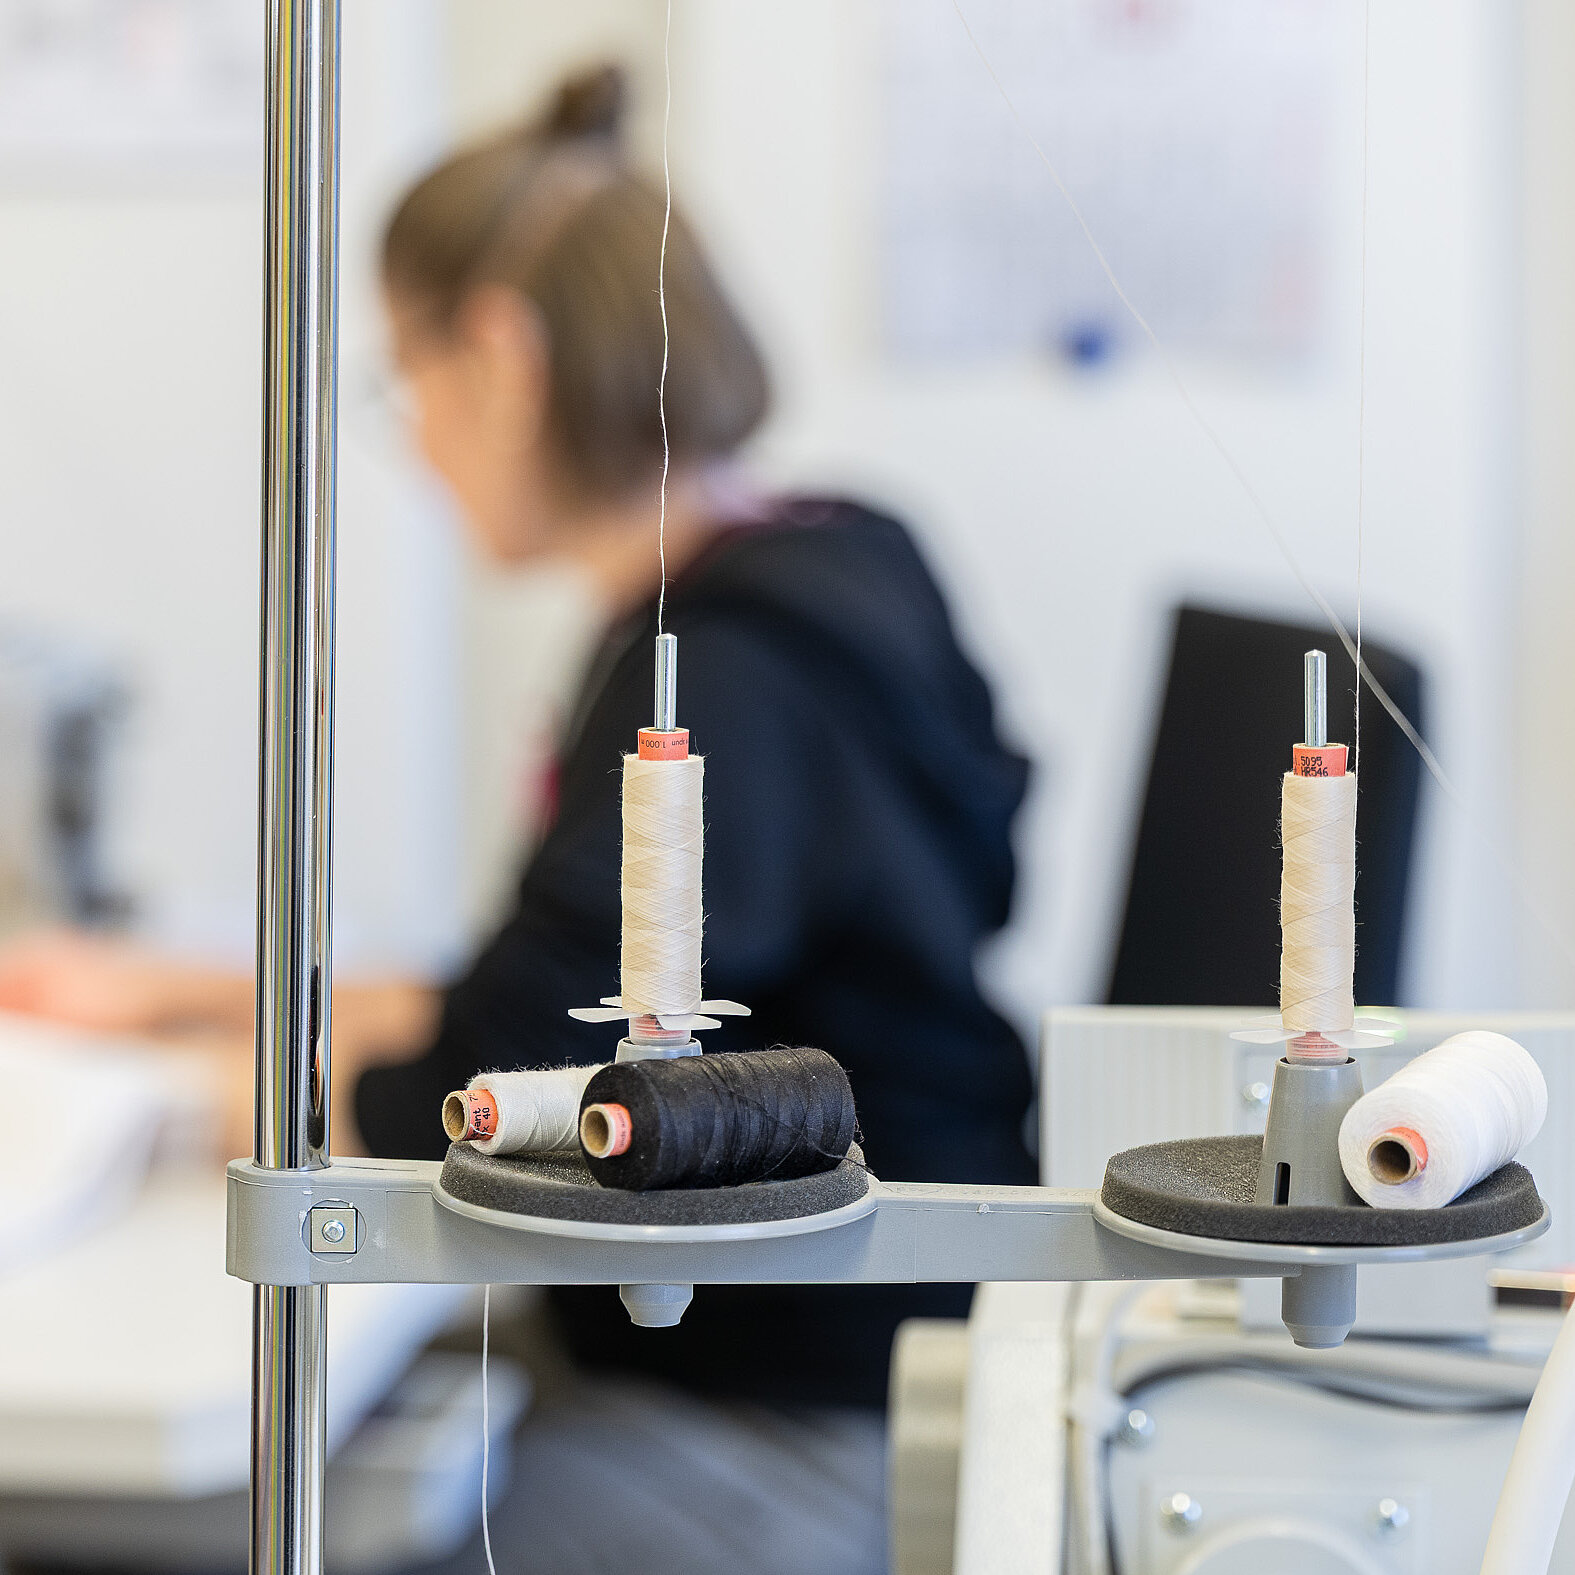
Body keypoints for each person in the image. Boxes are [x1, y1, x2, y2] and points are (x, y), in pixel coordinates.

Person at [0, 65, 1033, 1575]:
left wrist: (134, 1097)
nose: (412, 443)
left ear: (499, 353)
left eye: (402, 380)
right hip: (850, 1360)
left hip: (798, 1420)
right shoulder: (825, 561)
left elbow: (471, 1094)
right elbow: (525, 997)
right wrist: (173, 995)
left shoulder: (719, 685)